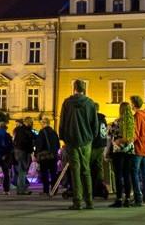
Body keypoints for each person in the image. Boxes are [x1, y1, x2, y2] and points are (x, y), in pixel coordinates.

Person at [58, 79, 98, 210]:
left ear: (74, 88)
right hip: (86, 141)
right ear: (84, 89)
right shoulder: (90, 103)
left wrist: (63, 137)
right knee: (86, 170)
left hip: (71, 140)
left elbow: (62, 122)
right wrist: (92, 137)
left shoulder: (67, 103)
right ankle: (90, 202)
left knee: (75, 171)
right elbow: (95, 124)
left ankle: (77, 202)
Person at [108, 101, 135, 207]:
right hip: (130, 151)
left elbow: (109, 135)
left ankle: (119, 199)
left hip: (118, 151)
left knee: (118, 175)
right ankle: (128, 199)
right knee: (127, 174)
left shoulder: (115, 123)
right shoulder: (133, 124)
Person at [130, 95, 145, 206]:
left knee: (134, 173)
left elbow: (136, 133)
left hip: (138, 148)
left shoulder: (137, 116)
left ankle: (138, 198)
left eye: (131, 103)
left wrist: (129, 141)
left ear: (134, 104)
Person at [36, 117, 60, 195]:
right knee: (53, 173)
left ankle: (46, 190)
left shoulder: (42, 132)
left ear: (44, 123)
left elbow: (39, 145)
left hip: (45, 156)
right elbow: (58, 145)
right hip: (53, 156)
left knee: (44, 173)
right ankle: (54, 190)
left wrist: (37, 153)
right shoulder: (54, 132)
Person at [89, 104, 109, 199]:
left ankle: (92, 189)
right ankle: (100, 186)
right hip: (102, 145)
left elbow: (92, 132)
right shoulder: (103, 119)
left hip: (94, 145)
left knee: (89, 167)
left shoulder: (93, 118)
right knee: (98, 166)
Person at [12, 117, 35, 195]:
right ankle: (21, 189)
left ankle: (21, 188)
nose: (32, 124)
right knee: (23, 170)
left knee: (21, 170)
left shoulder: (19, 129)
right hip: (23, 151)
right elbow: (32, 138)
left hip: (18, 151)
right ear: (28, 122)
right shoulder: (26, 130)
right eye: (31, 122)